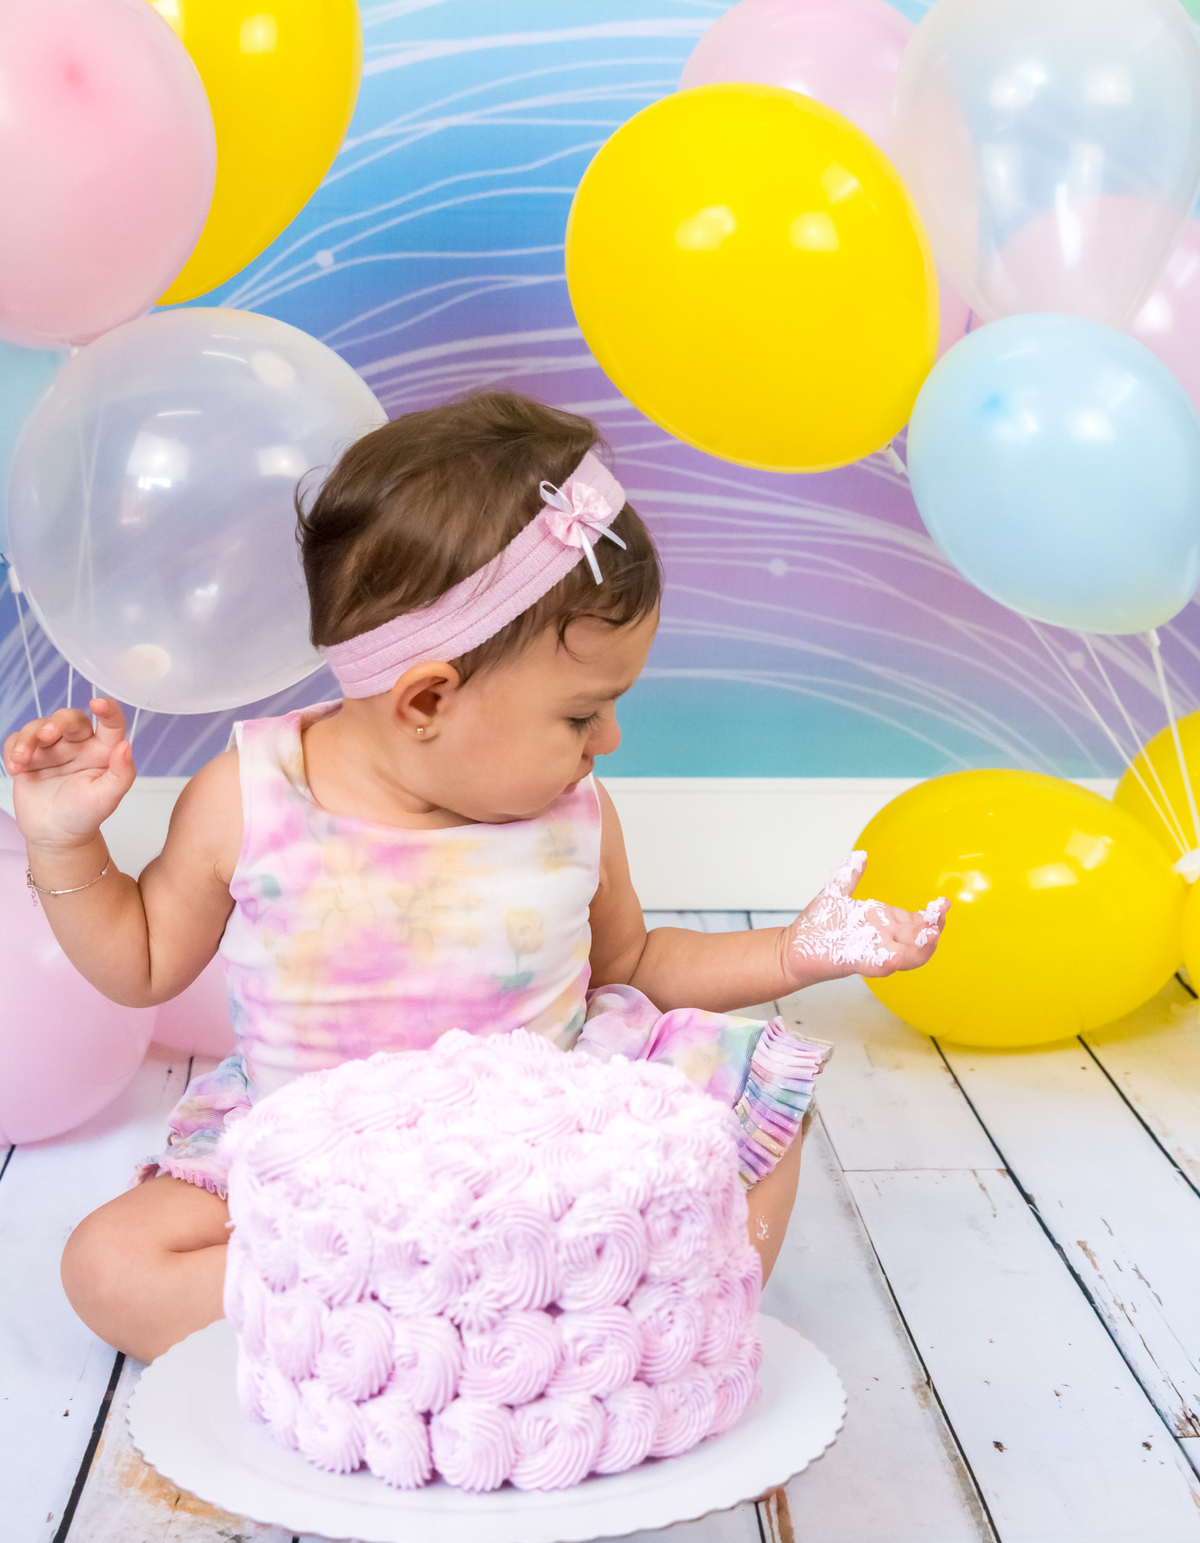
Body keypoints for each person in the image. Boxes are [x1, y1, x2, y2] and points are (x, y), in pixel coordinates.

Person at [3, 391, 947, 1363]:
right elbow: (144, 963)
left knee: (760, 1117)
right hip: (330, 1164)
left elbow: (636, 963)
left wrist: (791, 952)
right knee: (108, 1265)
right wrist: (66, 844)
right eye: (582, 716)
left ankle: (655, 1321)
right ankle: (419, 1319)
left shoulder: (570, 815)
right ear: (426, 700)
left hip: (545, 1154)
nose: (610, 741)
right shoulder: (254, 796)